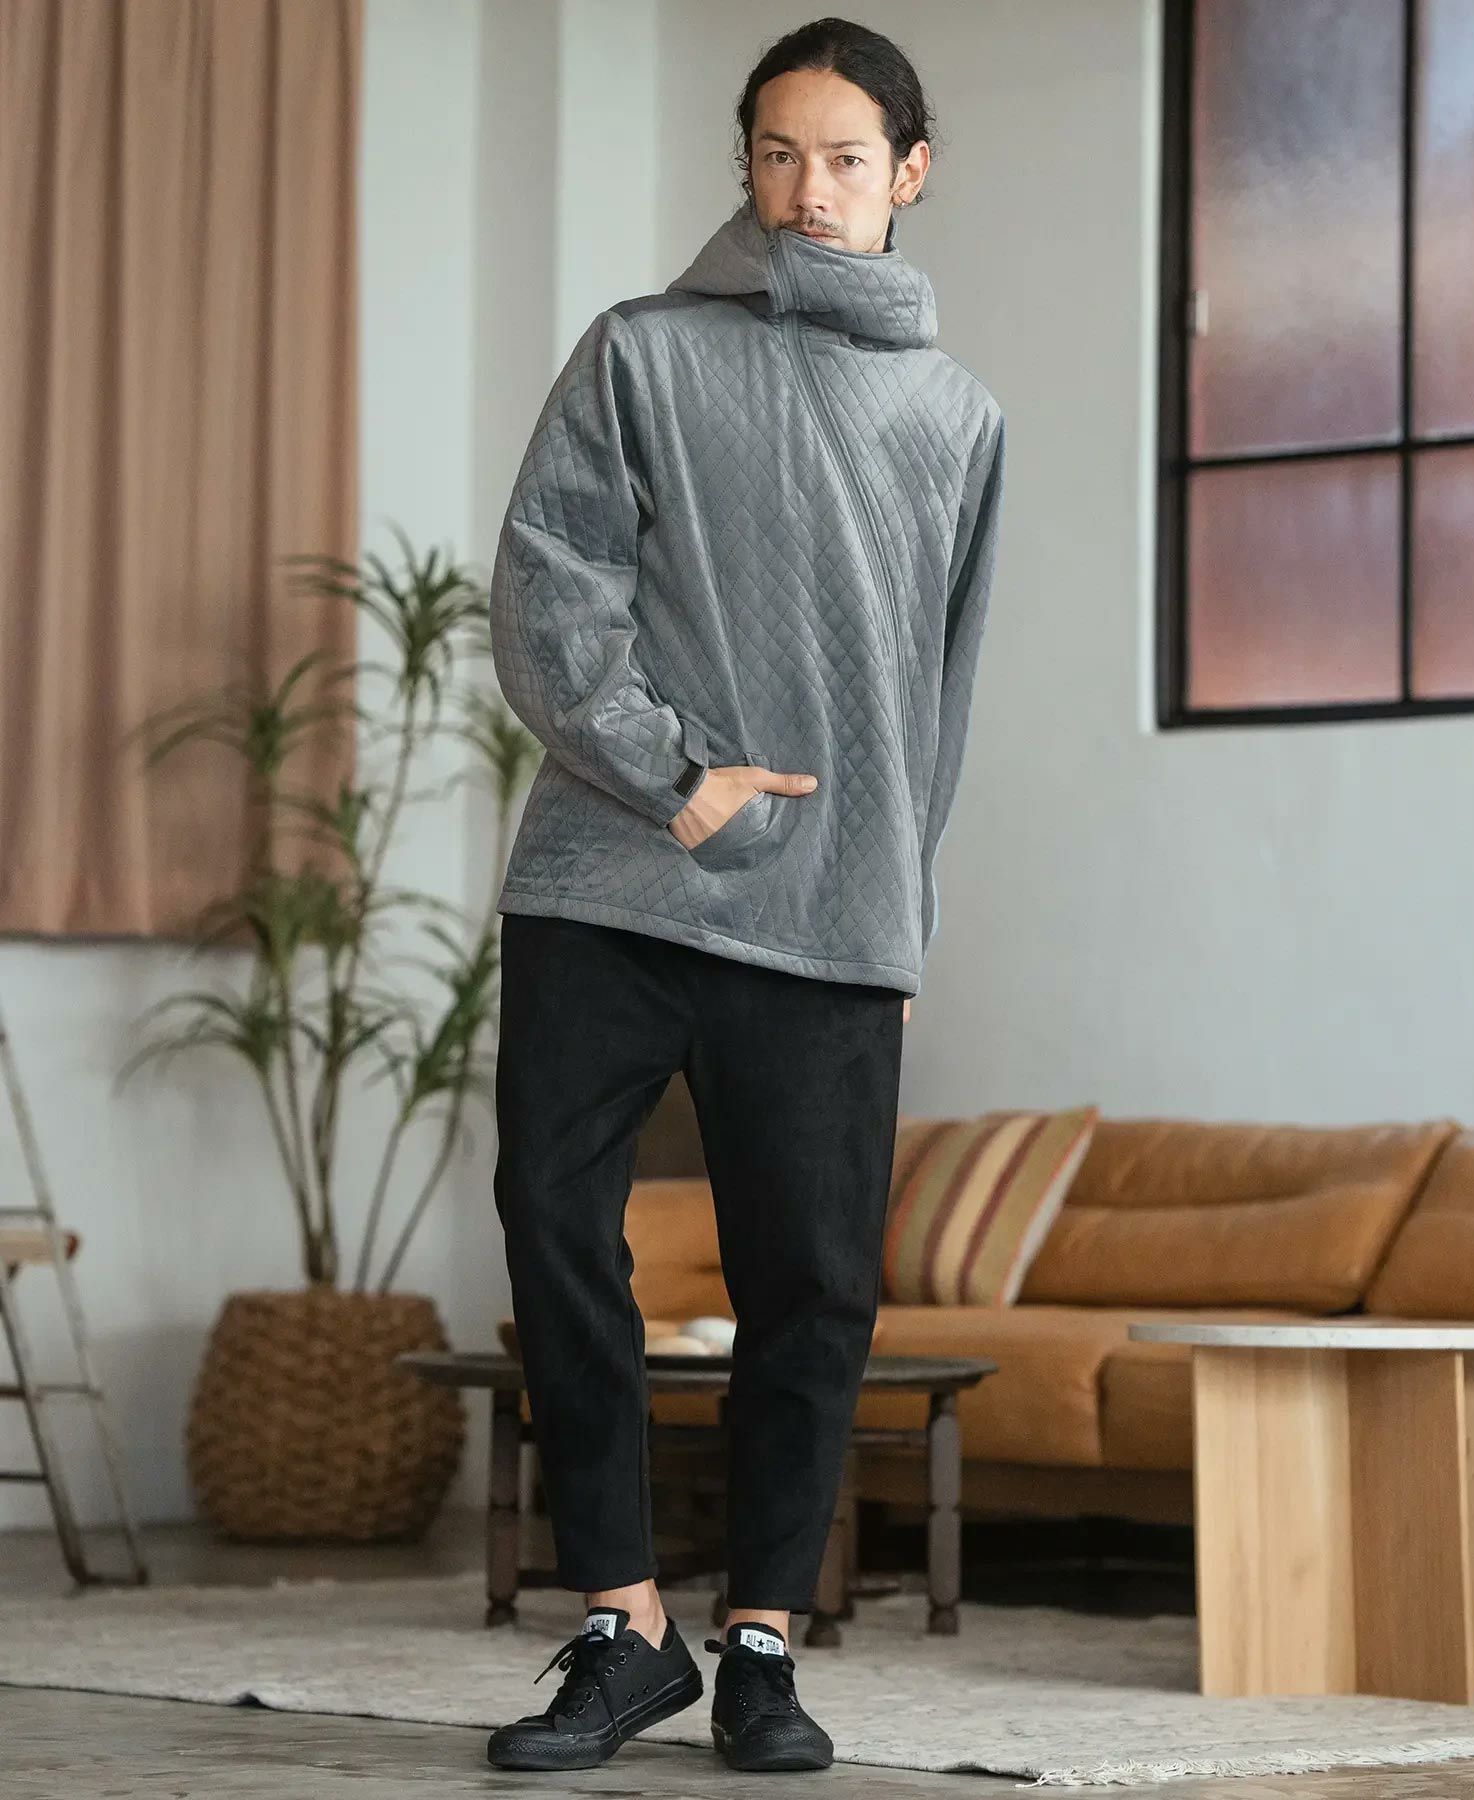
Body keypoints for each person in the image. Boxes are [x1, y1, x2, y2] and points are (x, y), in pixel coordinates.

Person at [485, 15, 1005, 1777]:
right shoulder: (641, 350)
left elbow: (938, 696)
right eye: (778, 155)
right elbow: (547, 587)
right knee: (553, 1219)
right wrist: (672, 772)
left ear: (910, 172)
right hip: (608, 880)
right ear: (746, 166)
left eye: (845, 158)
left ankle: (764, 1647)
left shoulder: (959, 418)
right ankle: (624, 1629)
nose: (808, 189)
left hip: (834, 914)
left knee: (813, 1285)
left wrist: (902, 906)